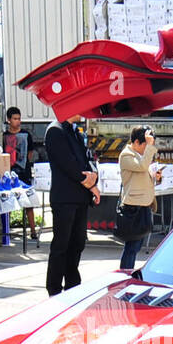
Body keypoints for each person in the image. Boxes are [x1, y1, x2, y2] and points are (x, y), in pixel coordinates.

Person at [44, 112, 98, 295]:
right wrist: (87, 181)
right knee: (61, 245)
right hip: (64, 198)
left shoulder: (76, 132)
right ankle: (54, 288)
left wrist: (93, 183)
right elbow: (68, 164)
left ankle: (73, 285)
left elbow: (84, 159)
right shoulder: (55, 131)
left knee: (77, 243)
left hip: (80, 197)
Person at [118, 126, 157, 270]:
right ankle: (125, 273)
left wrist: (154, 176)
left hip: (143, 204)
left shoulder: (140, 155)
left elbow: (143, 172)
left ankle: (127, 272)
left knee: (136, 245)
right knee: (132, 246)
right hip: (133, 206)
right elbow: (141, 167)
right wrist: (150, 149)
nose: (147, 148)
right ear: (136, 142)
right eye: (145, 144)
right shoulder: (126, 155)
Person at [3, 106, 39, 238]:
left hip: (24, 173)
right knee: (8, 202)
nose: (17, 121)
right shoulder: (4, 136)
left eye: (19, 118)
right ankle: (7, 231)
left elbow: (30, 152)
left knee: (28, 203)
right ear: (8, 120)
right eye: (15, 118)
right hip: (9, 174)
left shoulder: (26, 134)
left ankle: (33, 230)